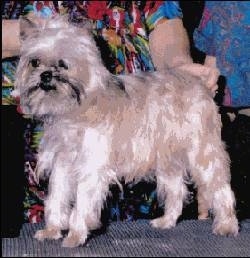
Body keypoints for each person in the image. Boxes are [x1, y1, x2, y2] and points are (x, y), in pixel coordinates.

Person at [2, 1, 218, 223]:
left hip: (133, 137)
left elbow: (165, 28)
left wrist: (179, 67)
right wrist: (47, 37)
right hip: (33, 144)